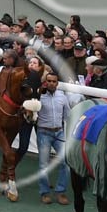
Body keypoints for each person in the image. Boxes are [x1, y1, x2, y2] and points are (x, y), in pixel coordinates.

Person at [34, 70, 70, 205]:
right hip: (43, 133)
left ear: (57, 83)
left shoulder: (62, 97)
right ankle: (44, 192)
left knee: (65, 163)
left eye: (54, 81)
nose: (51, 83)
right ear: (45, 82)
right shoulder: (39, 96)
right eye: (49, 81)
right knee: (43, 164)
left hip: (59, 132)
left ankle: (61, 191)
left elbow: (67, 115)